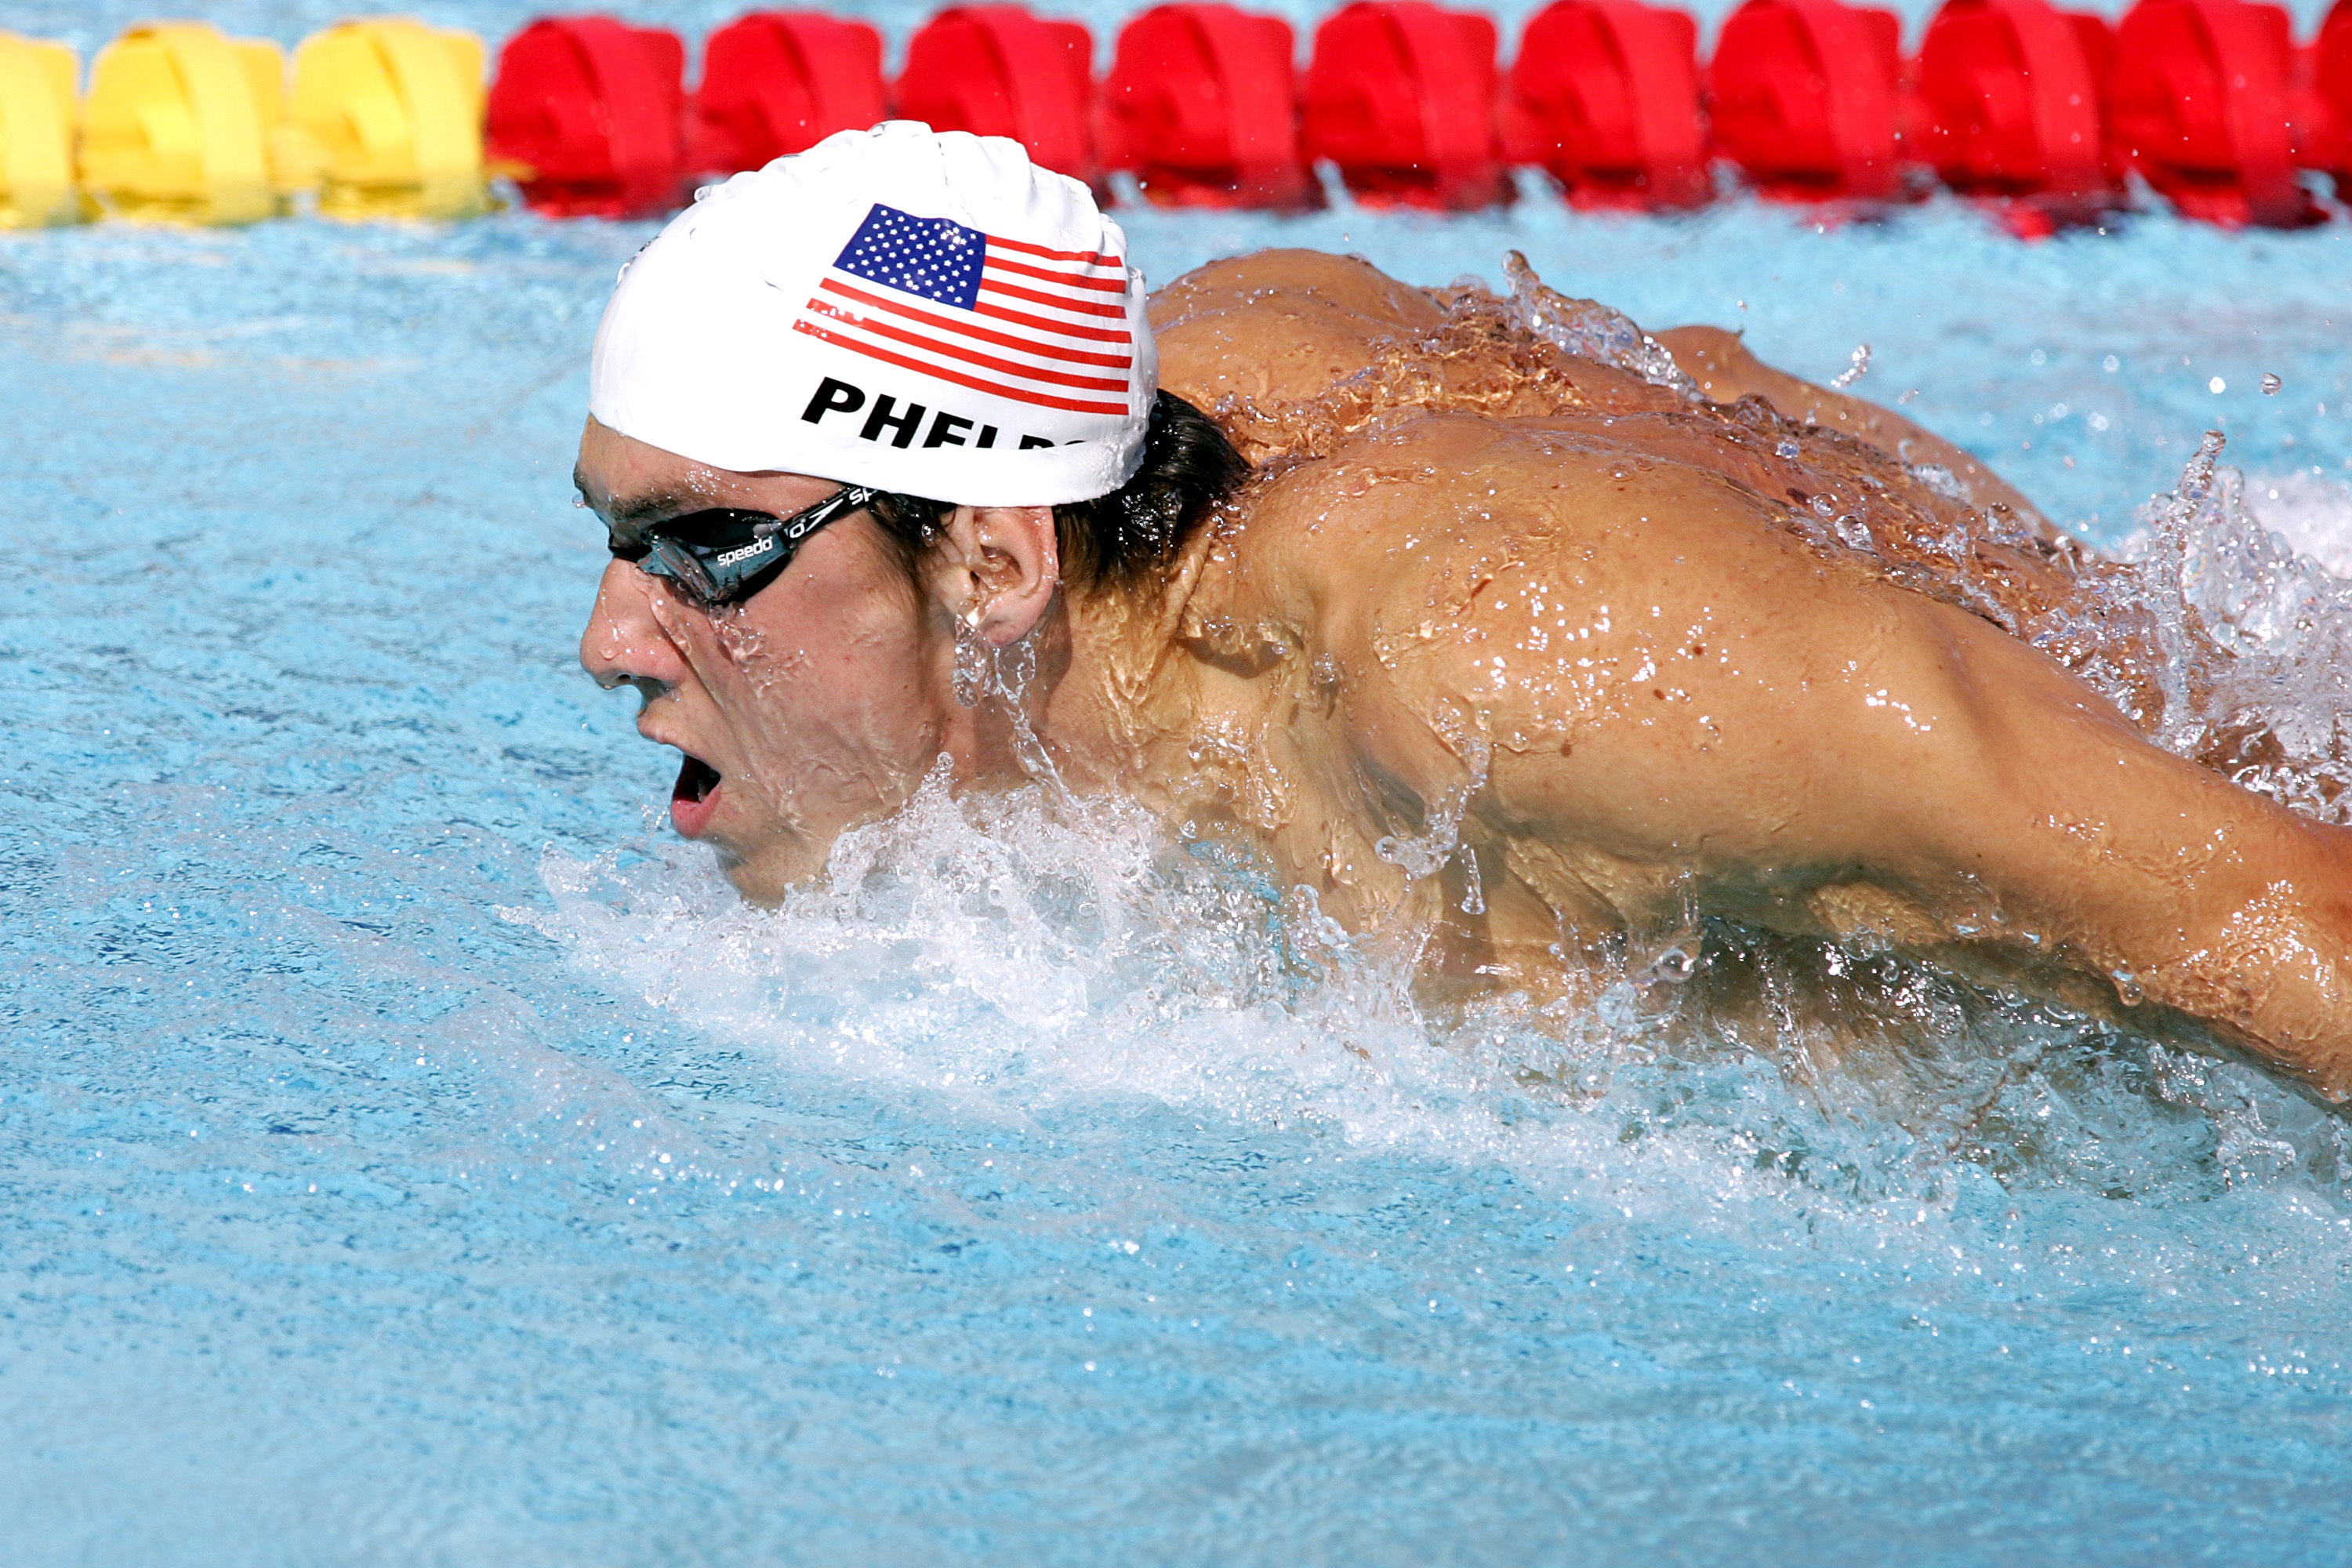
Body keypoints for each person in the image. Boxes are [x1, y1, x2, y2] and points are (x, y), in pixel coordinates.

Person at [575, 122, 2351, 1102]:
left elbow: (2291, 908)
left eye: (698, 551)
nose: (613, 640)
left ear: (990, 564)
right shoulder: (1175, 385)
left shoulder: (1507, 670)